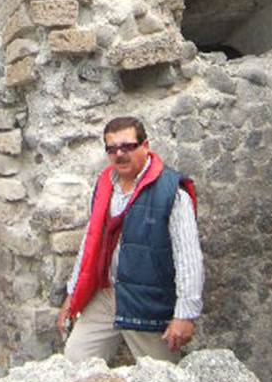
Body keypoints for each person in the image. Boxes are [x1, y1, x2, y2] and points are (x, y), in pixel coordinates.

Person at [56, 115, 203, 364]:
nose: (119, 154)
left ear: (145, 146)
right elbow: (90, 243)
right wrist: (73, 295)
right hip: (107, 295)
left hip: (148, 302)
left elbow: (188, 258)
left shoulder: (172, 193)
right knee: (75, 360)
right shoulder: (105, 186)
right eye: (112, 149)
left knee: (161, 379)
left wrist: (185, 315)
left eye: (127, 146)